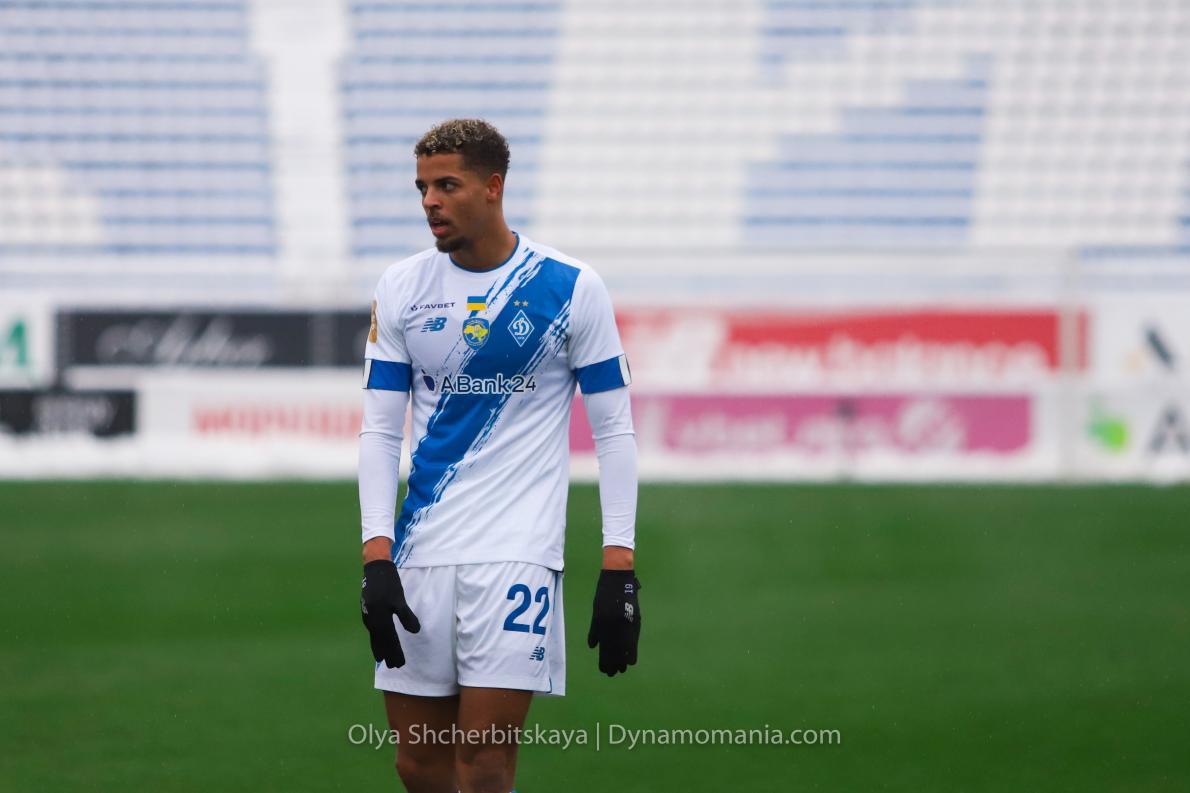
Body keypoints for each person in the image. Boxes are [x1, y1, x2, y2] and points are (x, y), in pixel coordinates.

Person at [357, 118, 641, 793]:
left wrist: (619, 567)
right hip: (422, 551)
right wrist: (376, 556)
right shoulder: (401, 287)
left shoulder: (570, 286)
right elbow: (379, 430)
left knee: (484, 761)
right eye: (422, 187)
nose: (430, 201)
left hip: (518, 553)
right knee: (418, 764)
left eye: (446, 185)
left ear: (493, 186)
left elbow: (613, 429)